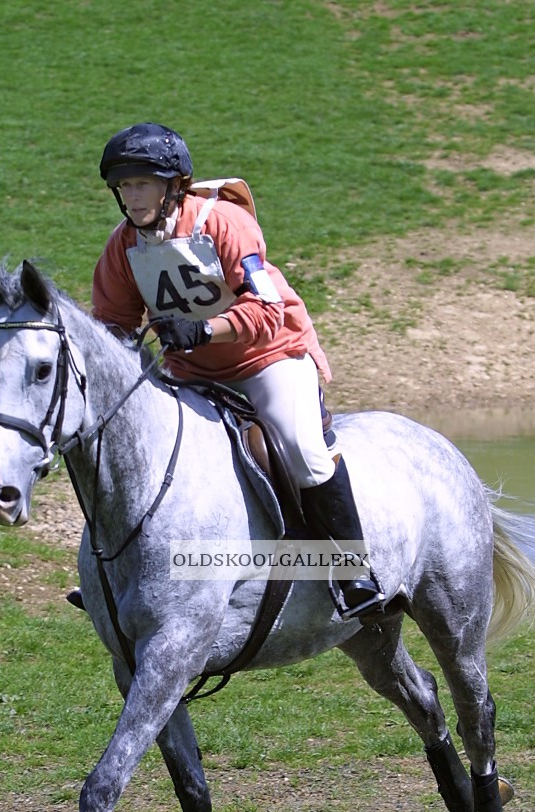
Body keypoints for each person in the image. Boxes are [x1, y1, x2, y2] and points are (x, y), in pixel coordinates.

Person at [91, 122, 384, 619]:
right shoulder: (123, 247)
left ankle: (352, 570)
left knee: (304, 451)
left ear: (174, 185)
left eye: (142, 183)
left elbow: (266, 312)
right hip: (189, 372)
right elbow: (114, 324)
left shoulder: (222, 222)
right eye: (124, 186)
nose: (133, 196)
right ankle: (114, 575)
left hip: (266, 358)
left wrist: (203, 332)